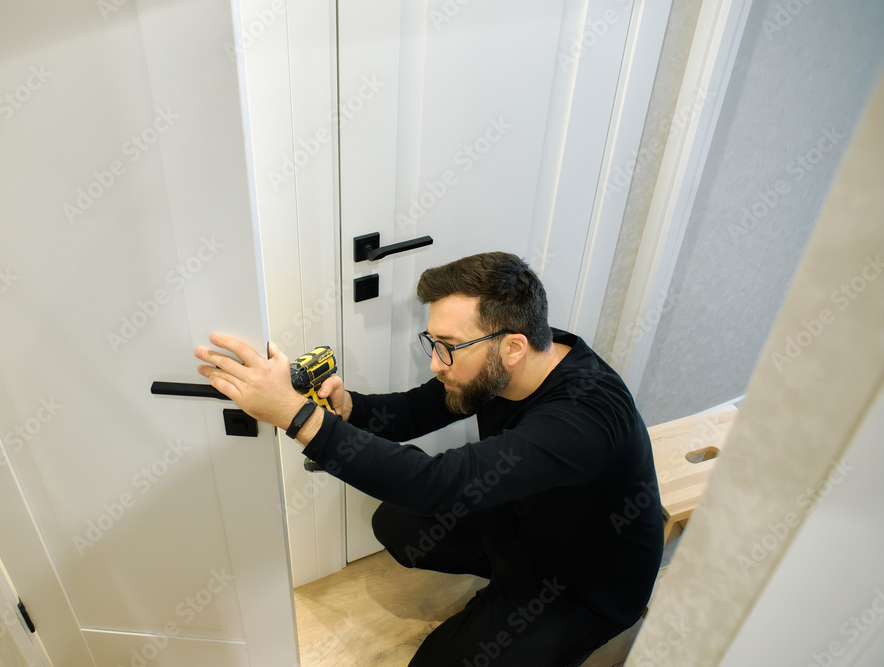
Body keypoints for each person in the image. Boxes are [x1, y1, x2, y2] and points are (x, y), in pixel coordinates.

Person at [195, 252, 664, 666]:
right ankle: (506, 592)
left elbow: (440, 484)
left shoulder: (583, 417)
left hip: (585, 582)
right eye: (433, 342)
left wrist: (296, 417)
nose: (436, 363)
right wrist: (349, 408)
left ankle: (527, 617)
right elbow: (417, 409)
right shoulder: (512, 360)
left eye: (449, 347)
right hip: (526, 521)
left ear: (513, 347)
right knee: (398, 523)